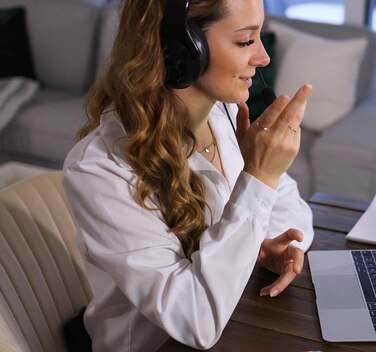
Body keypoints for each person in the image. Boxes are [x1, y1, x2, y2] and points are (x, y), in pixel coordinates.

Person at [62, 0, 314, 350]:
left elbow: (288, 204)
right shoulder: (100, 170)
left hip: (235, 323)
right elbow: (196, 320)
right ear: (182, 47)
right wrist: (257, 178)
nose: (263, 57)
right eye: (245, 41)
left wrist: (262, 245)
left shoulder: (224, 113)